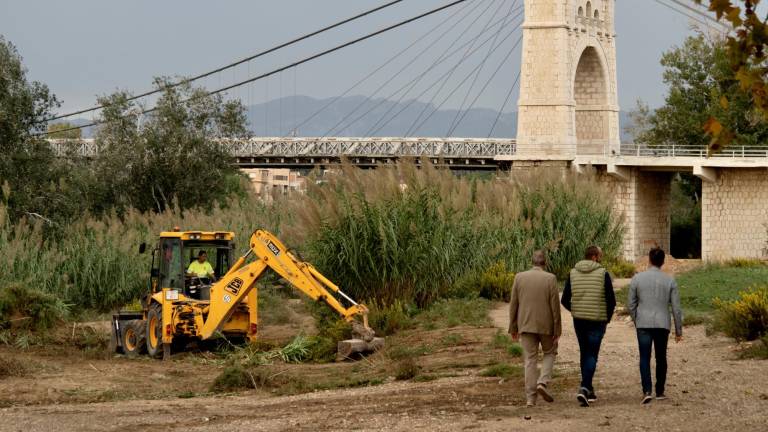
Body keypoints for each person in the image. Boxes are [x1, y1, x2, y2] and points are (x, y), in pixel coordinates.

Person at [561, 245, 616, 407]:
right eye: (600, 255)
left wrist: (576, 310)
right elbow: (611, 300)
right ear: (594, 257)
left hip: (579, 320)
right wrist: (607, 318)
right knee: (592, 354)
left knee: (584, 353)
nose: (601, 257)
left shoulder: (572, 273)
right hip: (597, 320)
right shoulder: (603, 273)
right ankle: (584, 388)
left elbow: (564, 299)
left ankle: (589, 390)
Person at [627, 247, 683, 404]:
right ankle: (660, 391)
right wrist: (679, 330)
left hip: (643, 323)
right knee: (661, 357)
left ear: (649, 260)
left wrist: (636, 319)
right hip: (662, 323)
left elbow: (630, 304)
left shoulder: (637, 278)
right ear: (663, 262)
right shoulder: (670, 280)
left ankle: (646, 390)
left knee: (644, 357)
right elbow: (676, 309)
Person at [509, 250, 562, 407]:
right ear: (545, 263)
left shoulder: (519, 277)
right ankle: (543, 382)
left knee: (530, 360)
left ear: (531, 262)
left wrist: (513, 327)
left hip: (525, 325)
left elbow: (514, 304)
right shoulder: (550, 278)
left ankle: (530, 398)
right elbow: (555, 307)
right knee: (550, 352)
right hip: (546, 326)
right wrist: (557, 329)